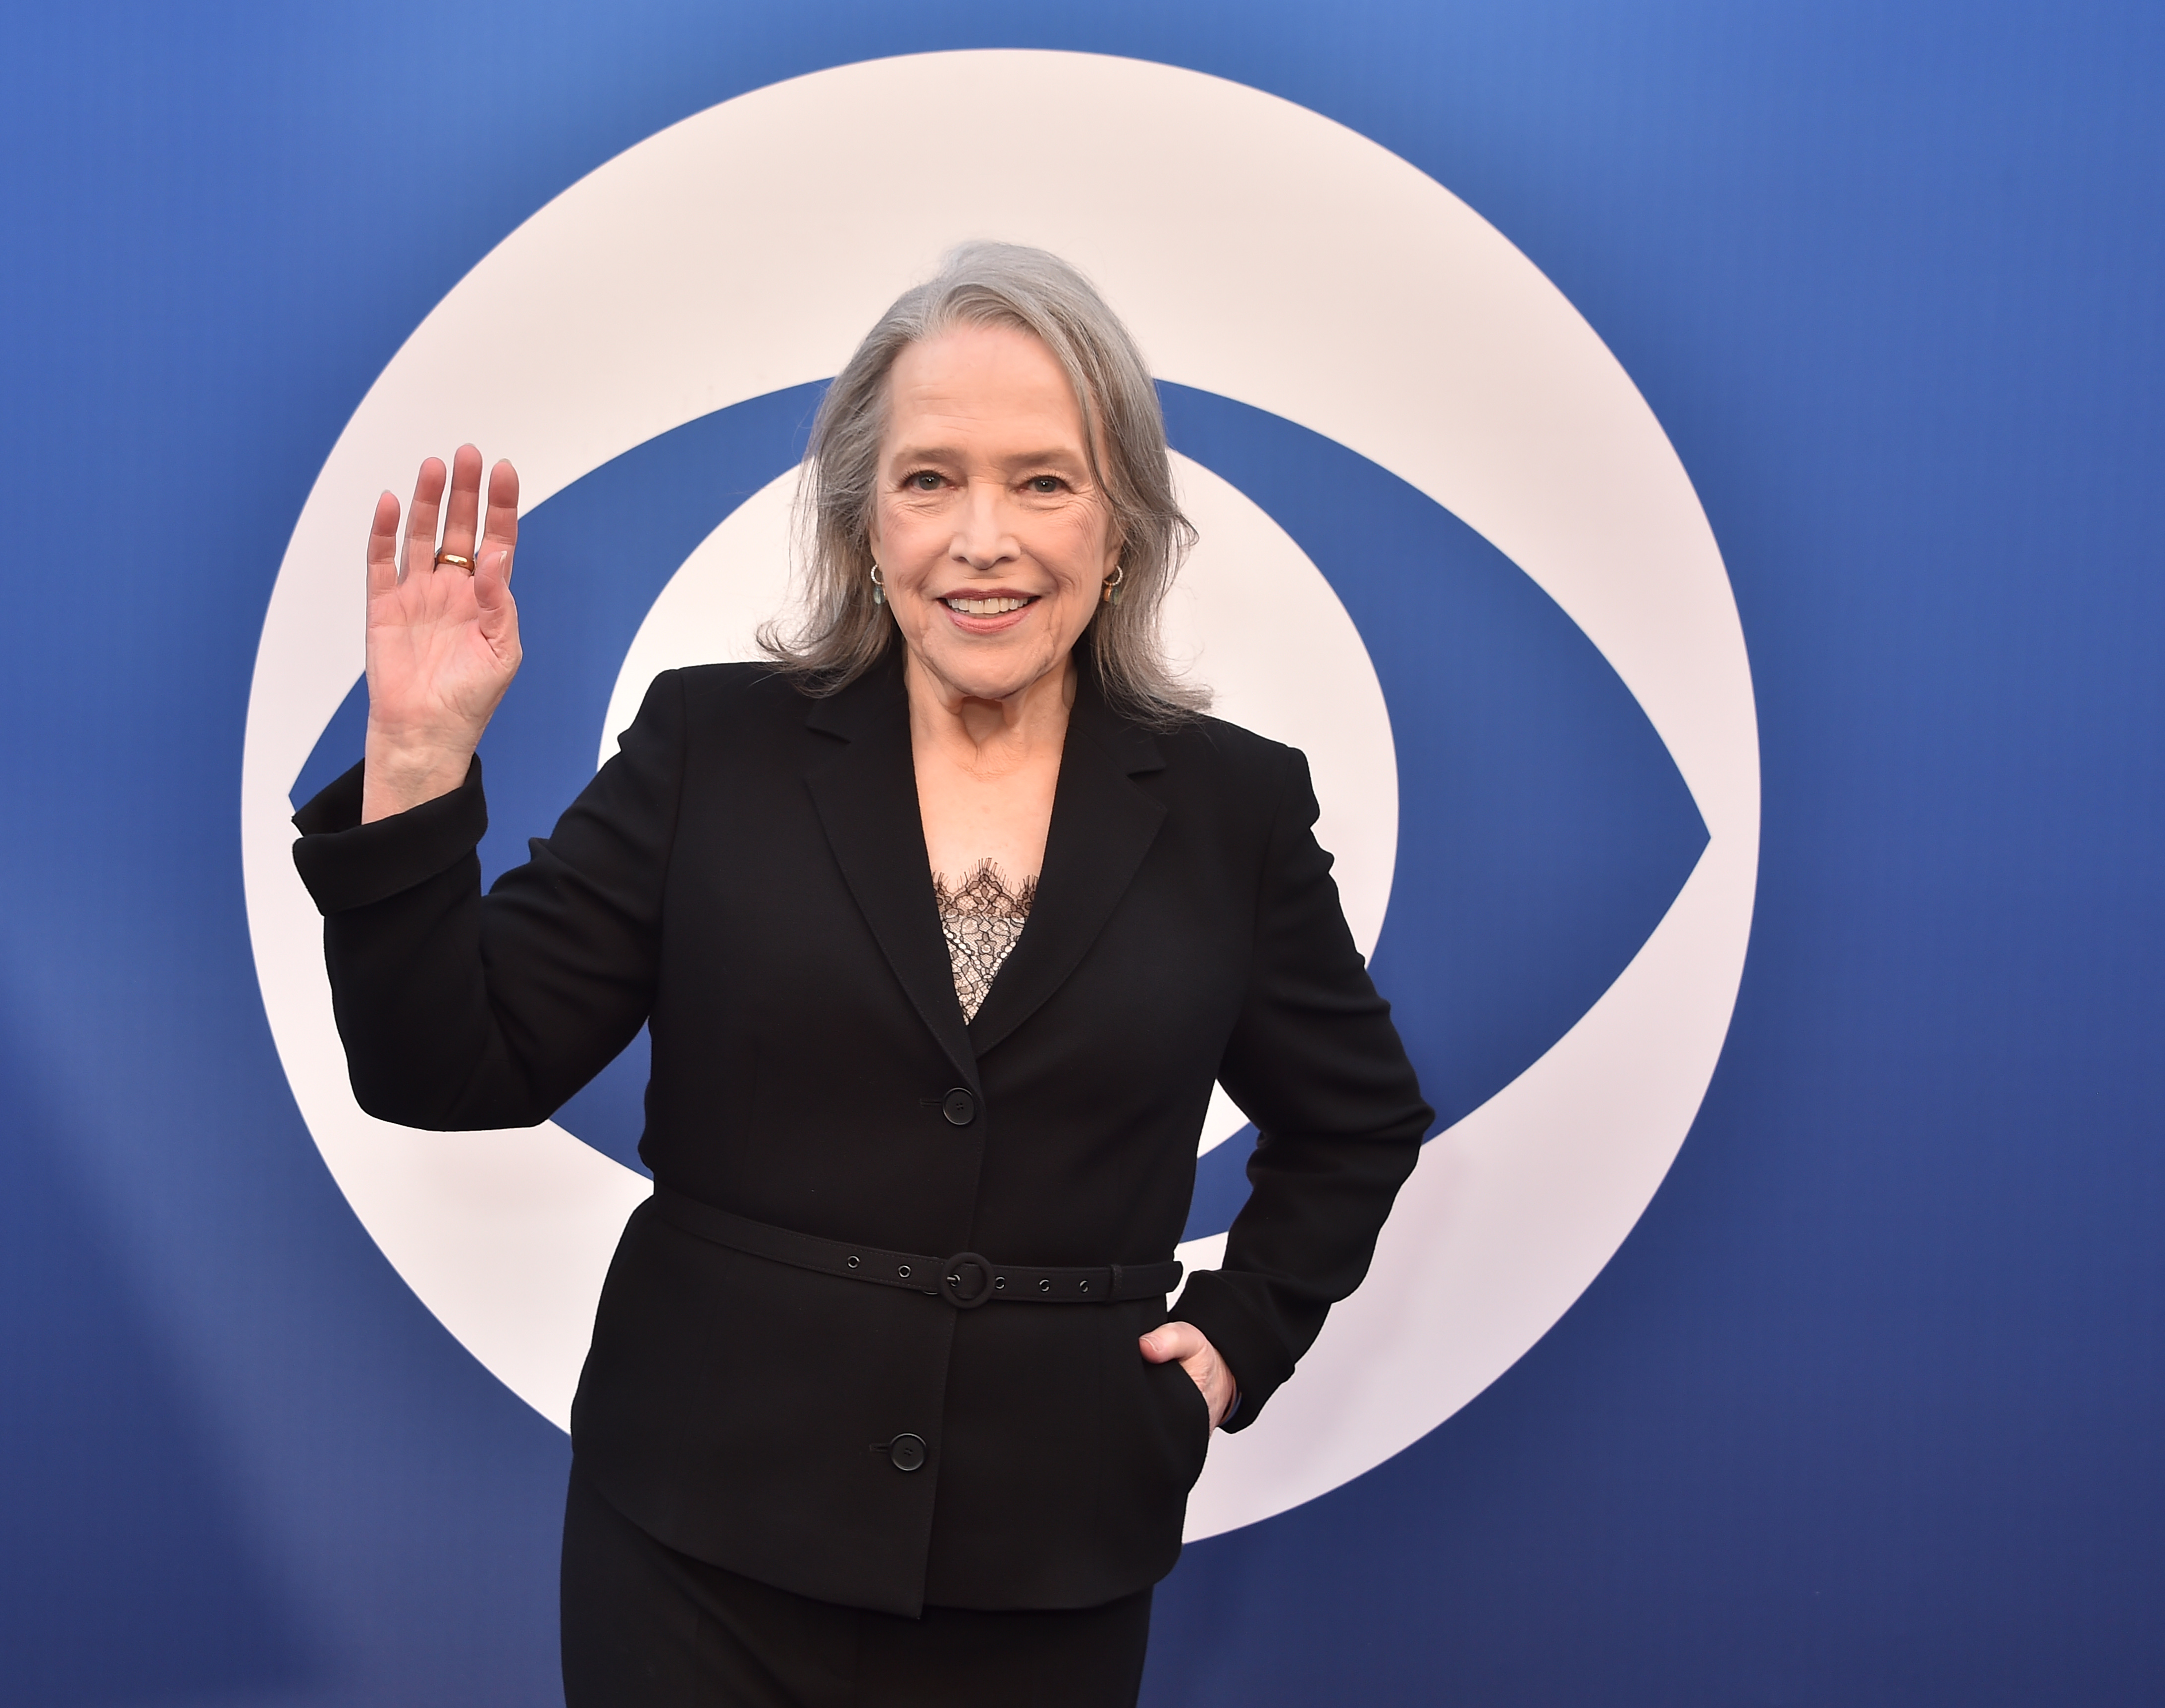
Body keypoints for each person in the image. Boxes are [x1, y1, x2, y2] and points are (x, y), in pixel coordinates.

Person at [291, 243, 1432, 1706]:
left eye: (1042, 480)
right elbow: (446, 1070)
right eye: (927, 479)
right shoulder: (711, 748)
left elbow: (1355, 1121)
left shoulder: (1236, 808)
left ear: (1121, 523)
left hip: (1052, 1556)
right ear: (860, 522)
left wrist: (1235, 1336)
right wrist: (419, 757)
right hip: (693, 1548)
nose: (982, 538)